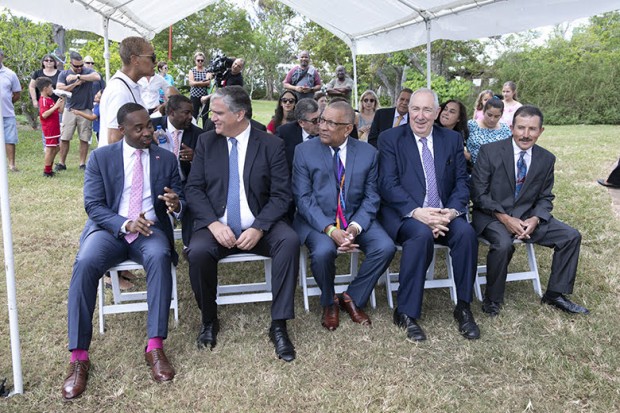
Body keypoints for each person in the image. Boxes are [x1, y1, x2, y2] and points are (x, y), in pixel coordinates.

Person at [62, 103, 184, 400]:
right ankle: (79, 357)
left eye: (149, 126)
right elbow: (93, 205)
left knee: (159, 257)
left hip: (150, 231)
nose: (147, 133)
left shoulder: (166, 158)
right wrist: (125, 223)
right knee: (85, 261)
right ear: (122, 130)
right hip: (110, 230)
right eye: (138, 128)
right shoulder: (101, 157)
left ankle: (155, 347)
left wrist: (176, 204)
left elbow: (180, 197)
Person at [185, 86, 299, 362]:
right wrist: (213, 224)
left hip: (260, 225)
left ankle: (279, 324)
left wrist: (259, 227)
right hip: (217, 225)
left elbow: (281, 195)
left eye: (218, 112)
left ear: (240, 114)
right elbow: (194, 189)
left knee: (289, 241)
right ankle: (209, 319)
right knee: (197, 252)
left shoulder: (271, 144)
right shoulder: (206, 142)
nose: (212, 117)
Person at [378, 88, 480, 342]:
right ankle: (406, 312)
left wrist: (451, 212)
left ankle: (464, 306)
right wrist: (418, 213)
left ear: (436, 113)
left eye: (426, 110)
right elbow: (387, 184)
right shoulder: (391, 138)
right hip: (407, 215)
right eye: (415, 109)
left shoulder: (451, 139)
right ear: (408, 111)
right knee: (421, 235)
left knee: (466, 234)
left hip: (444, 213)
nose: (420, 116)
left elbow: (461, 181)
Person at [471, 105, 589, 316]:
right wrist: (505, 218)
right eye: (521, 128)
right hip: (493, 216)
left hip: (527, 218)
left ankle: (555, 294)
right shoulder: (489, 152)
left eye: (532, 129)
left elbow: (545, 197)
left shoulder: (546, 159)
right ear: (511, 128)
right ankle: (492, 299)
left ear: (541, 131)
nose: (525, 134)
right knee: (503, 244)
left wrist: (536, 218)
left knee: (570, 236)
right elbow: (479, 194)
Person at [292, 101, 395, 331]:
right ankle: (329, 302)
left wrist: (355, 228)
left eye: (330, 123)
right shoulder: (304, 151)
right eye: (322, 120)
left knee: (385, 247)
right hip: (317, 221)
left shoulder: (368, 153)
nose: (322, 126)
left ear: (348, 128)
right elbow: (303, 198)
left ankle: (352, 297)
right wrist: (331, 230)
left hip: (355, 218)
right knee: (323, 252)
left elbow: (372, 196)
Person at [152, 94, 204, 246]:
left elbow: (207, 166)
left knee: (192, 199)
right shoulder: (152, 127)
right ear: (172, 112)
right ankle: (161, 242)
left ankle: (189, 245)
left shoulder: (199, 135)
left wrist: (195, 157)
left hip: (185, 182)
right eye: (186, 113)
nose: (190, 117)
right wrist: (151, 144)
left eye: (191, 112)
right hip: (157, 182)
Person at [99, 36, 155, 146]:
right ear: (135, 60)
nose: (155, 62)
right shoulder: (119, 91)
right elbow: (114, 139)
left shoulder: (129, 86)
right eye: (152, 57)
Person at [55, 51, 102, 171]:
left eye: (81, 65)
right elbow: (59, 88)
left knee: (84, 138)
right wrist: (75, 84)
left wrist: (78, 76)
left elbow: (97, 77)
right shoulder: (64, 74)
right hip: (69, 109)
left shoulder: (87, 71)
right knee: (65, 137)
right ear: (70, 63)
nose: (79, 68)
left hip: (86, 109)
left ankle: (82, 163)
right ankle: (61, 163)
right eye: (76, 66)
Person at [276, 98, 320, 173]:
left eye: (321, 118)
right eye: (315, 120)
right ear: (301, 123)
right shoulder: (284, 133)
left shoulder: (327, 132)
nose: (319, 123)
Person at [466, 97, 511, 164]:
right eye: (489, 115)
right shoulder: (471, 125)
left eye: (496, 116)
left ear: (501, 115)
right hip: (474, 167)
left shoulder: (505, 129)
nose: (492, 119)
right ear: (484, 112)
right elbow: (457, 142)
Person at [35, 77, 64, 177]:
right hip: (49, 128)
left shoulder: (50, 99)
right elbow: (44, 115)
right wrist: (55, 106)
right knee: (50, 149)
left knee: (57, 147)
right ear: (45, 88)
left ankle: (49, 167)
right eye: (51, 87)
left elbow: (60, 111)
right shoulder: (43, 100)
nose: (52, 89)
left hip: (55, 128)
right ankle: (47, 171)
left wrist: (62, 101)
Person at [0, 49, 22, 172]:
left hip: (7, 113)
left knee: (10, 139)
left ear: (2, 57)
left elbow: (17, 93)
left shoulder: (10, 74)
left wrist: (7, 102)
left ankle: (11, 164)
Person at [188, 52, 210, 122]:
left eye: (202, 60)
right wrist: (203, 83)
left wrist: (196, 83)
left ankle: (205, 128)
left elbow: (208, 82)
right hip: (194, 96)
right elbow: (191, 83)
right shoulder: (192, 70)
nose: (200, 62)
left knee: (205, 116)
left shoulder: (207, 70)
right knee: (194, 115)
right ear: (195, 60)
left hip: (205, 96)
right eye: (198, 60)